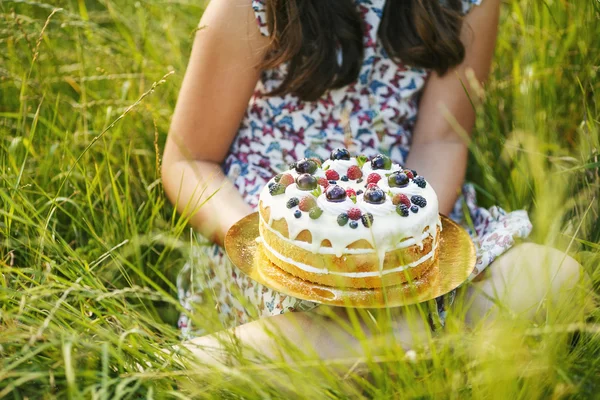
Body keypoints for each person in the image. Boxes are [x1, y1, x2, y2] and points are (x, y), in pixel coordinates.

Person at [161, 0, 582, 363]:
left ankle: (381, 353)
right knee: (368, 331)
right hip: (274, 236)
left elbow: (442, 140)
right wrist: (269, 247)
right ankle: (187, 367)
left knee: (555, 277)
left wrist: (402, 253)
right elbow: (190, 160)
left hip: (402, 226)